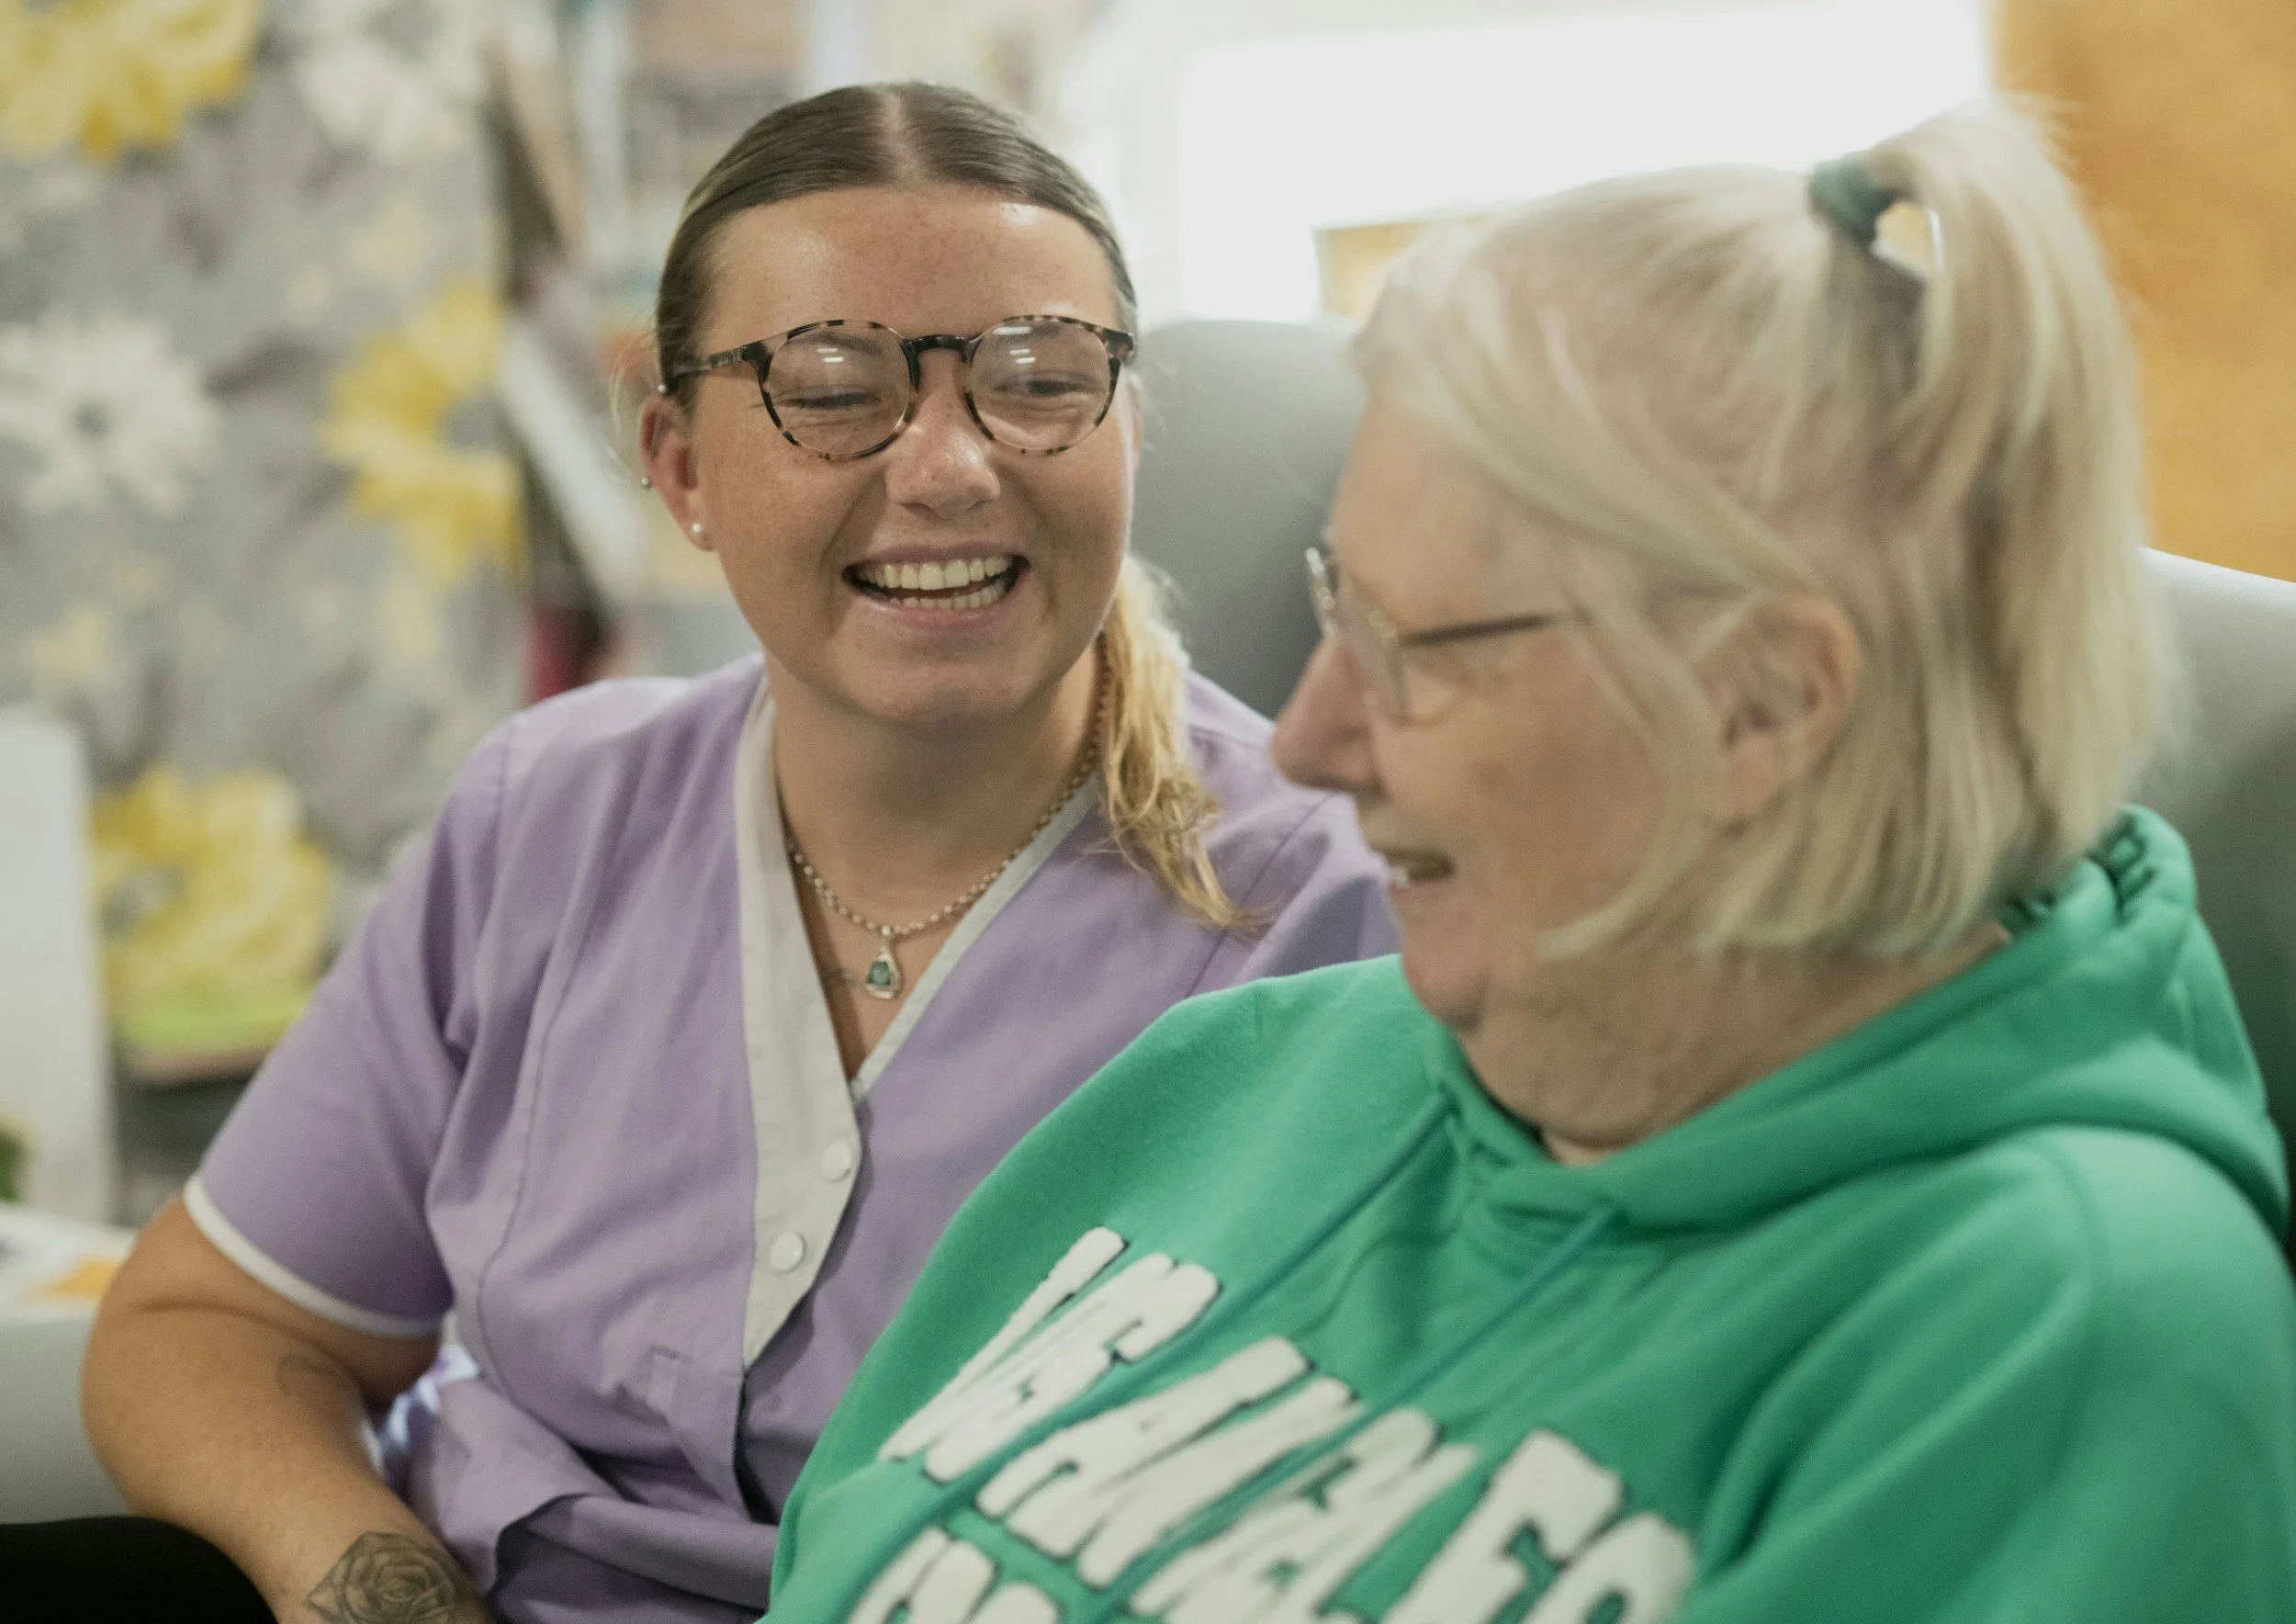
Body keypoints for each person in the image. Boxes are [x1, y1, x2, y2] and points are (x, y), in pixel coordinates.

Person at [759, 103, 2296, 1623]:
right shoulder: (1248, 1073)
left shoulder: (2053, 1340)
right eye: (1333, 609)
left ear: (1760, 702)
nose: (1309, 740)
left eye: (1416, 654)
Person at [38, 84, 1394, 1624]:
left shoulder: (1340, 920)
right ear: (680, 467)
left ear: (1129, 430)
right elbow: (211, 1320)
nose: (951, 466)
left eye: (1037, 379)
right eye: (829, 387)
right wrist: (387, 1593)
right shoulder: (549, 815)